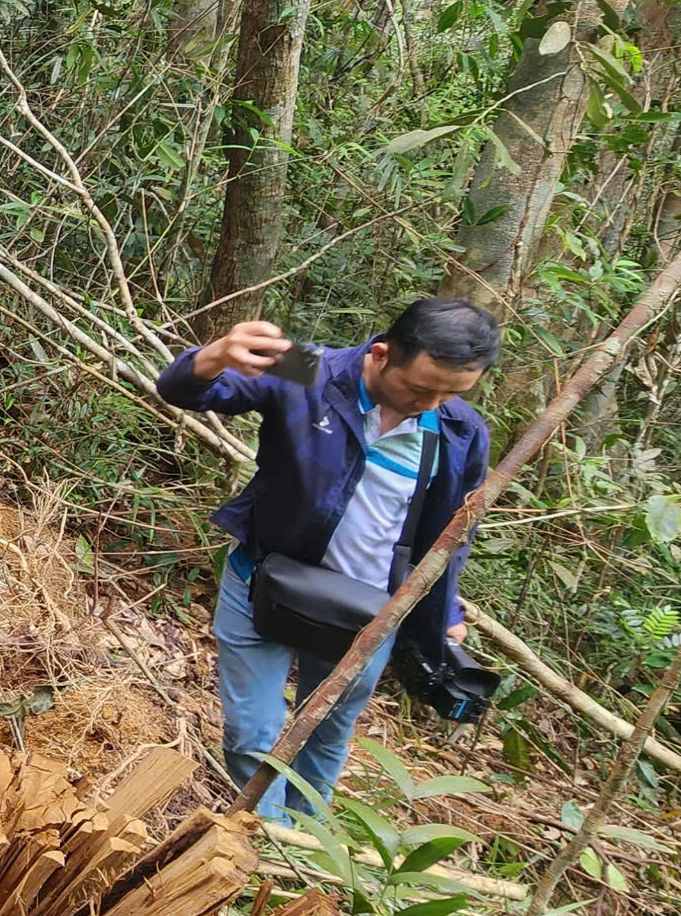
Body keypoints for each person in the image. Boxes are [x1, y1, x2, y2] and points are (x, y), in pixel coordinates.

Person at [156, 299, 499, 819]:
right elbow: (185, 390)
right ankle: (262, 843)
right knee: (253, 730)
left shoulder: (459, 428)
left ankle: (306, 840)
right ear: (382, 354)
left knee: (326, 730)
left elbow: (450, 532)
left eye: (452, 392)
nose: (433, 403)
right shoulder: (310, 369)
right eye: (421, 388)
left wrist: (444, 612)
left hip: (368, 613)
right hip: (265, 580)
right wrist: (214, 356)